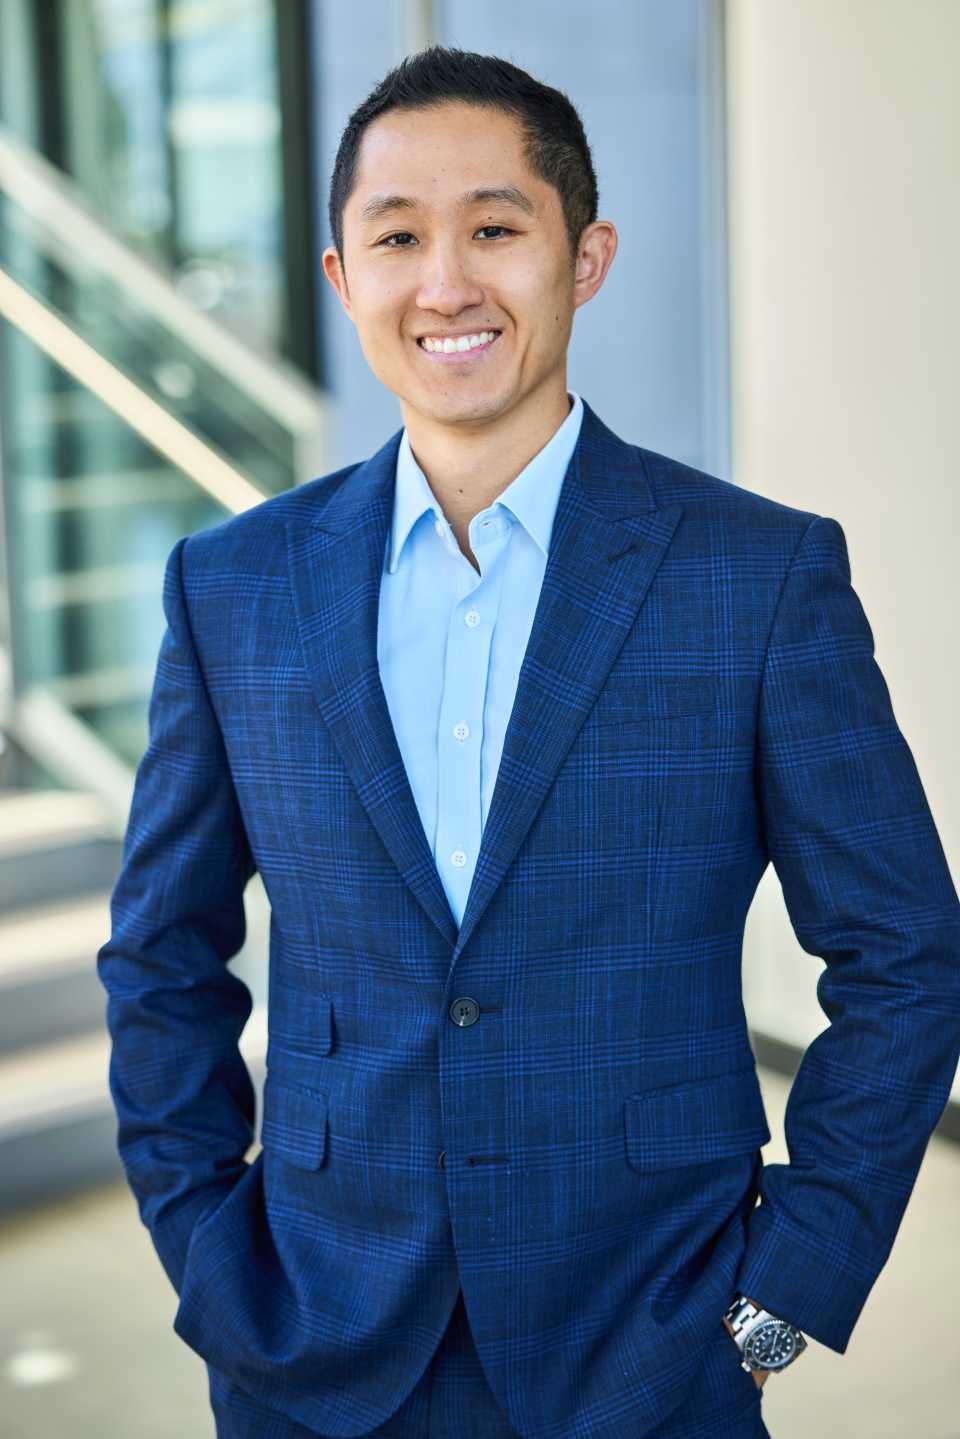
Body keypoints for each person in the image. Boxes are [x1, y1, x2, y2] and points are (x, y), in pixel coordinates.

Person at [97, 44, 960, 1439]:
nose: (445, 283)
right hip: (310, 1343)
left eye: (497, 228)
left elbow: (906, 952)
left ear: (587, 255)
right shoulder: (234, 584)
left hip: (651, 1341)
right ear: (341, 278)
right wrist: (209, 1254)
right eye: (397, 238)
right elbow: (160, 952)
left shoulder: (756, 577)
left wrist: (787, 1286)